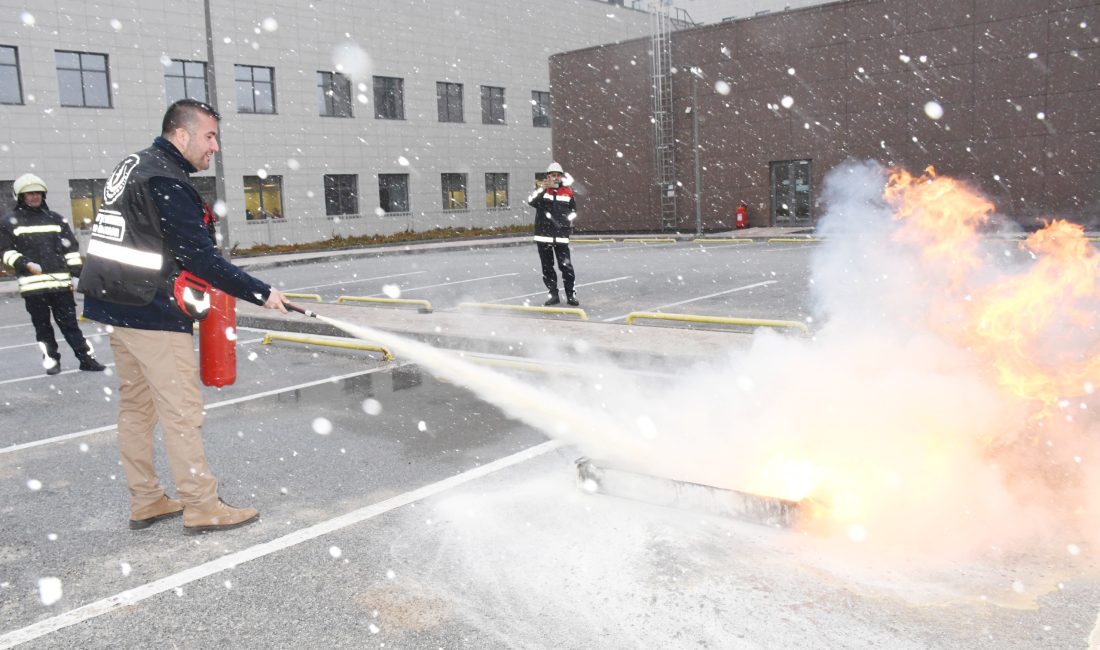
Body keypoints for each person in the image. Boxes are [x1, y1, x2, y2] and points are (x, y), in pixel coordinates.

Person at [80, 99, 289, 534]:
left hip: (116, 305)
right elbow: (199, 257)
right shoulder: (165, 179)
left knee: (137, 408)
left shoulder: (135, 165)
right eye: (209, 136)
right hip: (149, 309)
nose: (214, 147)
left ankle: (147, 499)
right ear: (181, 134)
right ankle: (201, 505)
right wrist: (260, 291)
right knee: (181, 411)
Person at [0, 173, 107, 375]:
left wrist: (77, 274)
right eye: (29, 194)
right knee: (42, 328)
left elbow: (72, 250)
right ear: (21, 197)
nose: (34, 197)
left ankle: (85, 359)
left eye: (37, 193)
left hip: (60, 284)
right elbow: (5, 252)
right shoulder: (10, 222)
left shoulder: (56, 219)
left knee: (70, 325)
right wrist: (25, 262)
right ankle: (51, 360)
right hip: (33, 287)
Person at [528, 161, 579, 306]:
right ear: (548, 176)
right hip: (543, 237)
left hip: (561, 237)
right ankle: (553, 295)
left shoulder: (568, 191)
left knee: (566, 267)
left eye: (558, 175)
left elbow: (574, 211)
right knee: (547, 268)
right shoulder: (542, 190)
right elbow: (531, 201)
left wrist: (566, 224)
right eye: (553, 175)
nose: (555, 178)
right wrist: (542, 189)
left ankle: (571, 296)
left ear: (561, 176)